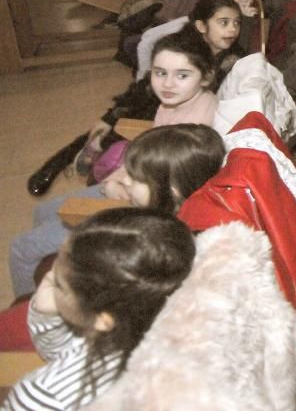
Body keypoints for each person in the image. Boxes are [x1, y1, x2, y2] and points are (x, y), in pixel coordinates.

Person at [4, 208, 195, 411]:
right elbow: (66, 351)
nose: (50, 275)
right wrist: (47, 315)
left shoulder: (42, 397)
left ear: (103, 320)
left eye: (59, 285)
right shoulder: (168, 323)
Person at [8, 125, 225, 298]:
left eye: (136, 177)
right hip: (135, 203)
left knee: (21, 248)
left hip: (124, 220)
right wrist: (124, 181)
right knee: (42, 210)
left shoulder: (160, 237)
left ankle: (26, 305)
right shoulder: (166, 195)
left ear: (172, 191)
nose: (125, 178)